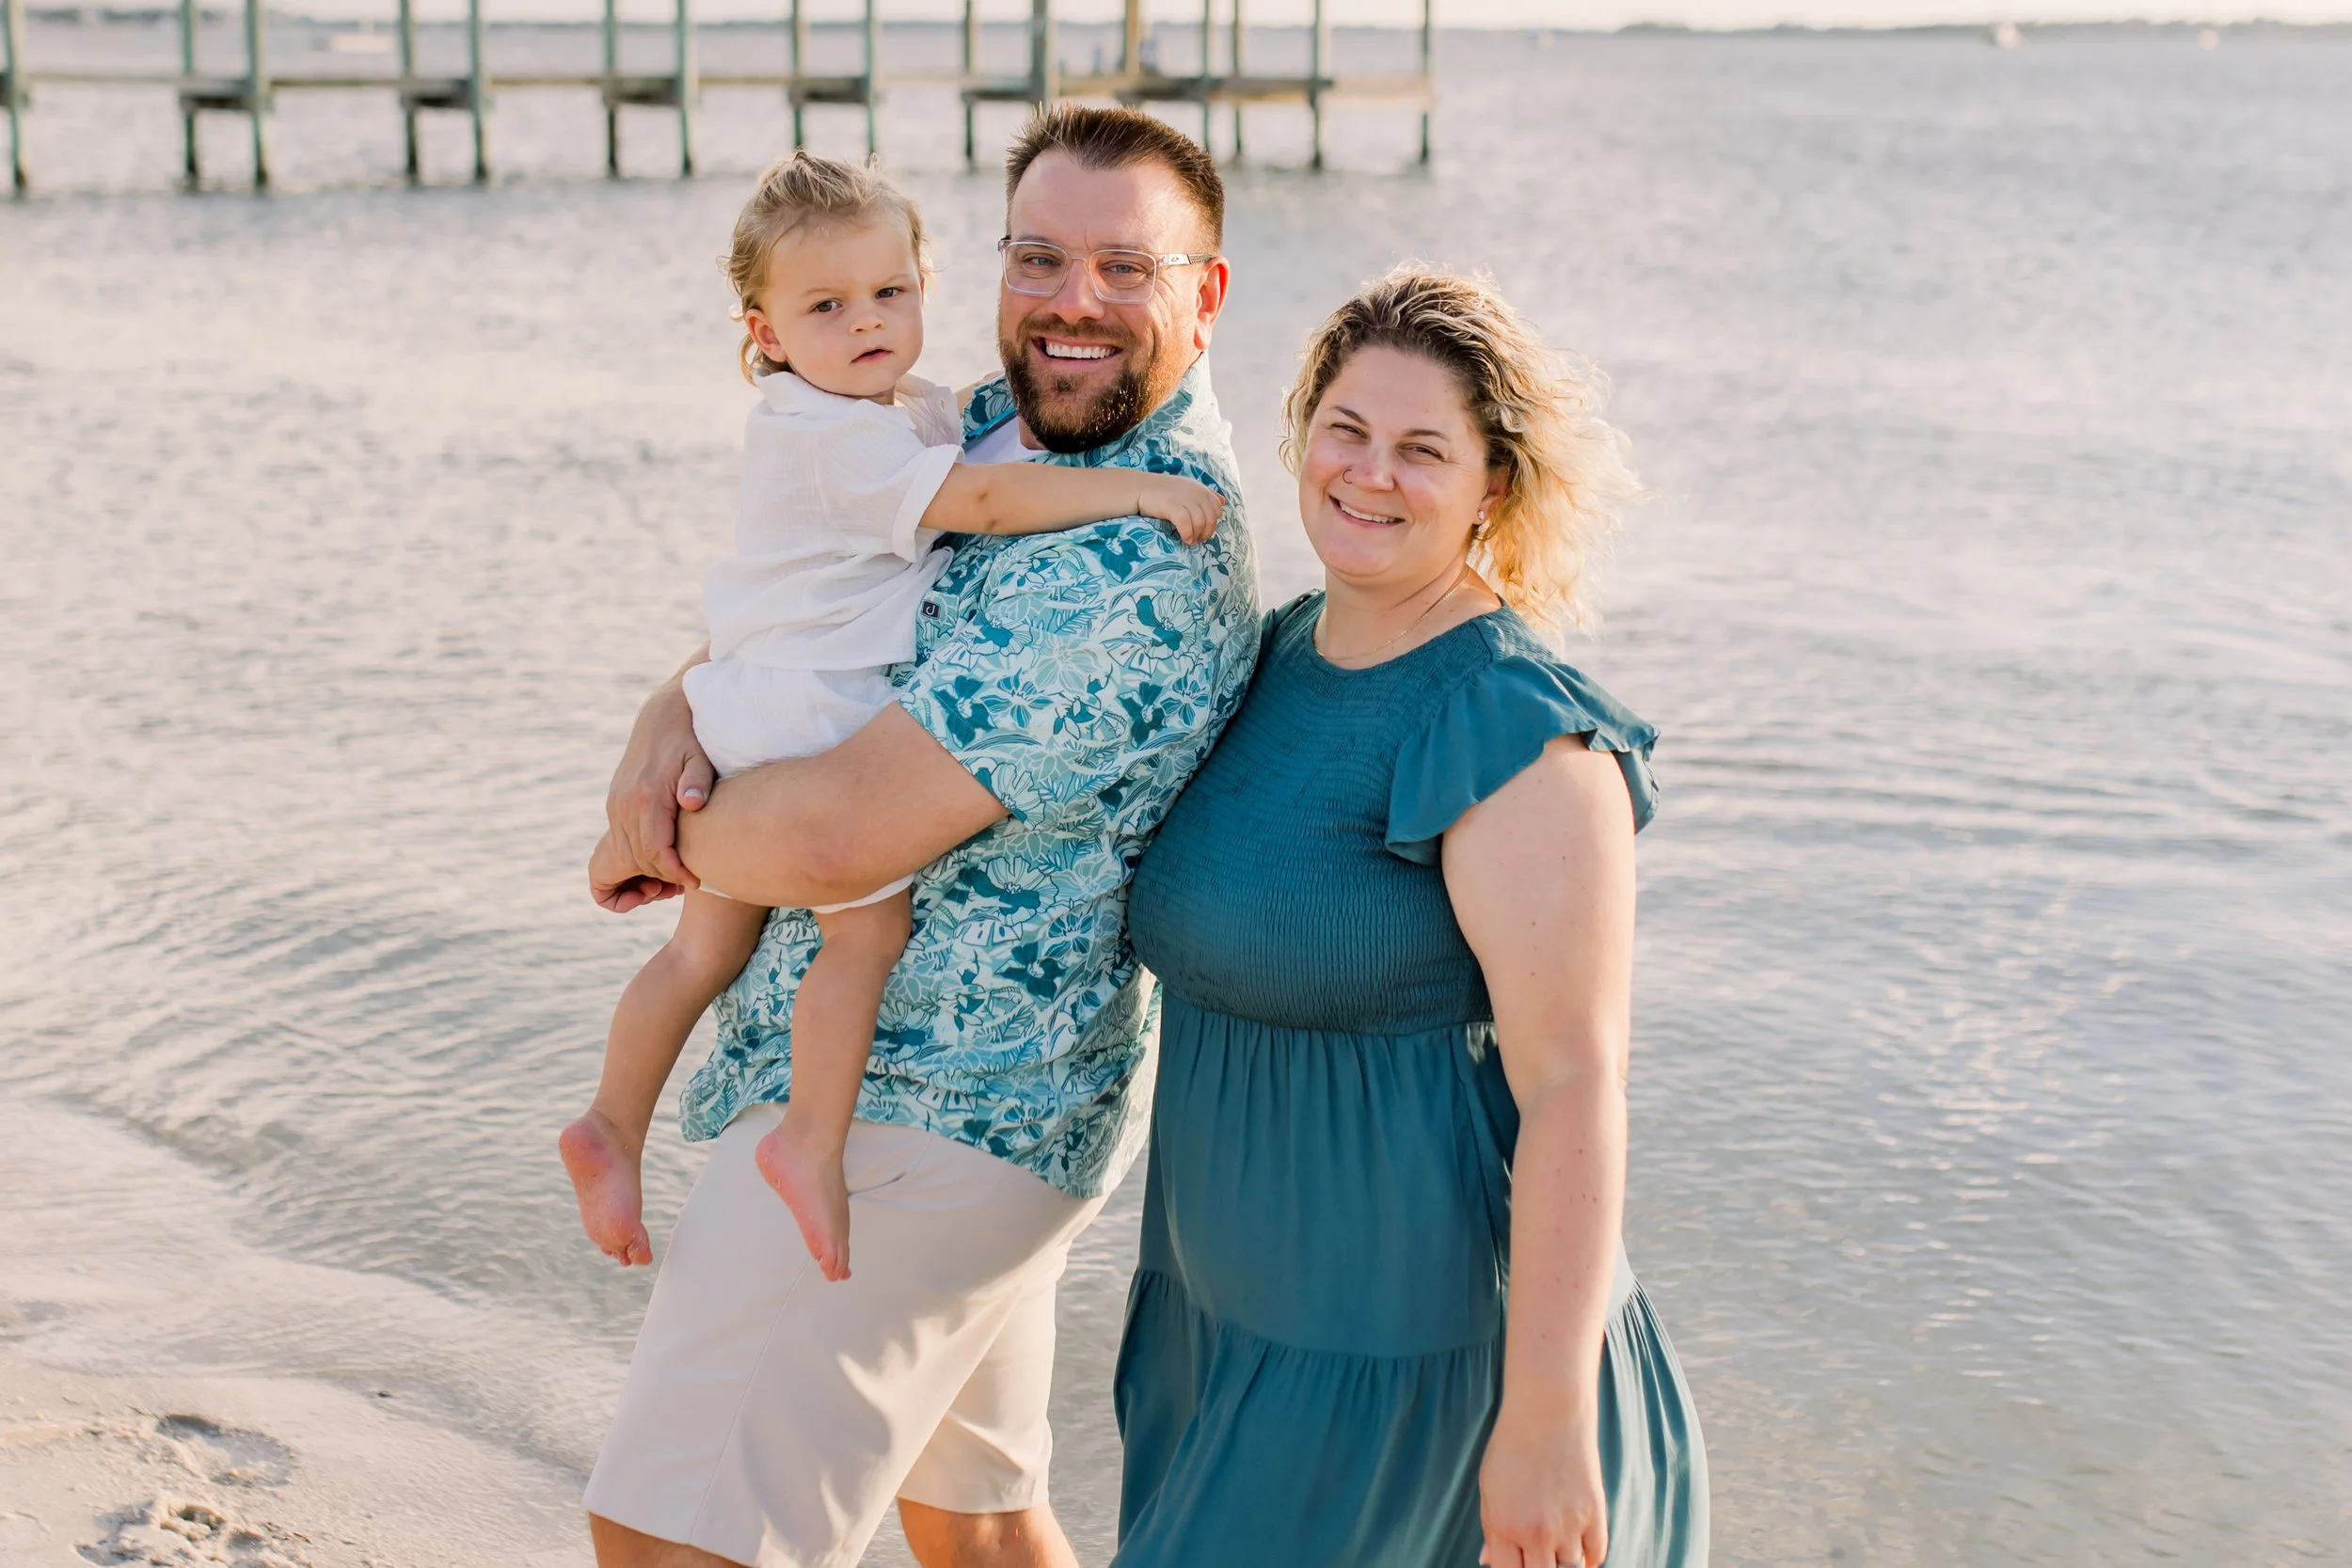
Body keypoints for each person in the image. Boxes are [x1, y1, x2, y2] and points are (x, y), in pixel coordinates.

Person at [580, 106, 1258, 1568]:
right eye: (1038, 258)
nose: (1072, 301)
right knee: (982, 1529)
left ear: (1205, 294)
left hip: (915, 1108)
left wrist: (652, 833)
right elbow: (805, 609)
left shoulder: (1132, 554)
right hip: (1005, 1103)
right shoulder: (999, 437)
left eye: (1122, 268)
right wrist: (671, 710)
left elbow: (828, 840)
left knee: (670, 1541)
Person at [1117, 267, 1710, 1568]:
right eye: (1347, 430)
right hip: (1229, 1339)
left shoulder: (1511, 726)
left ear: (1493, 484)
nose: (1370, 473)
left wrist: (1546, 1421)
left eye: (1422, 448)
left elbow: (1575, 1085)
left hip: (1432, 1380)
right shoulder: (1264, 660)